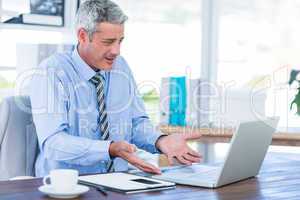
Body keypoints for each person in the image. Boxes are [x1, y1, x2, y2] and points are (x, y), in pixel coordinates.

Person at [30, 0, 202, 177]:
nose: (116, 51)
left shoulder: (121, 67)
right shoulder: (52, 72)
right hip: (67, 186)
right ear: (82, 36)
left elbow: (136, 124)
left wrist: (161, 140)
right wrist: (109, 149)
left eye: (120, 41)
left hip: (118, 183)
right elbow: (53, 143)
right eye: (108, 42)